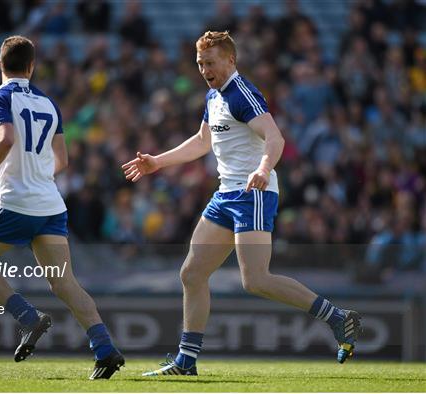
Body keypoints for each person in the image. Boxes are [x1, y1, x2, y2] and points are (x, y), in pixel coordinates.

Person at [122, 31, 361, 375]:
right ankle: (185, 361)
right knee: (191, 273)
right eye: (200, 63)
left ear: (230, 61)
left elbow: (275, 137)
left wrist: (264, 168)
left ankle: (338, 318)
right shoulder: (213, 95)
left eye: (211, 62)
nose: (205, 69)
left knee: (255, 280)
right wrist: (157, 162)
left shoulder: (241, 93)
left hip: (253, 193)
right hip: (225, 194)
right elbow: (202, 141)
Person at [0, 35, 124, 380]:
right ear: (32, 67)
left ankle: (28, 317)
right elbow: (63, 160)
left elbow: (5, 139)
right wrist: (39, 171)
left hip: (15, 203)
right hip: (50, 205)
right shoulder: (49, 103)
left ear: (1, 64)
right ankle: (105, 349)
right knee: (64, 283)